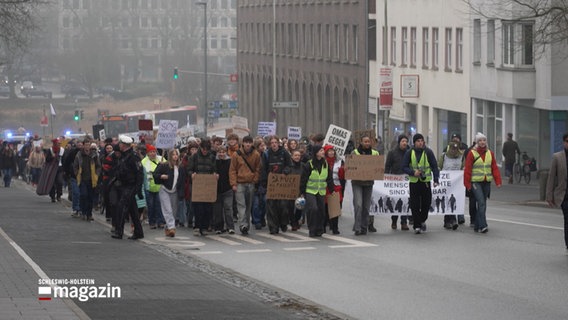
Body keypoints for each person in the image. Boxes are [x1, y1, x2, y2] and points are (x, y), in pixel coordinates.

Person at [463, 132, 502, 233]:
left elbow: (494, 168)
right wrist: (467, 184)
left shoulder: (490, 153)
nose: (482, 142)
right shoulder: (472, 153)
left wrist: (498, 181)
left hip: (486, 182)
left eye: (484, 140)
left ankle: (477, 225)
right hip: (476, 182)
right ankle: (483, 225)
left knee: (483, 203)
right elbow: (468, 169)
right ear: (476, 142)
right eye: (480, 140)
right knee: (481, 202)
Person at [402, 133, 440, 234]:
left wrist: (436, 179)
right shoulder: (409, 152)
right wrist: (413, 172)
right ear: (414, 143)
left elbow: (434, 166)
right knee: (414, 204)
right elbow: (404, 167)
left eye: (421, 141)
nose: (420, 143)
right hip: (414, 182)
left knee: (426, 204)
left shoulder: (428, 152)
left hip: (425, 182)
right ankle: (417, 225)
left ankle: (422, 219)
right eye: (418, 141)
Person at [111, 135, 145, 240]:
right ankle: (138, 232)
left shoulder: (133, 156)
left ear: (124, 145)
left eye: (120, 144)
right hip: (124, 185)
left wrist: (138, 189)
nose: (119, 145)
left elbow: (139, 173)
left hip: (131, 185)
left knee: (121, 207)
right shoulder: (124, 156)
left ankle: (119, 231)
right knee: (133, 210)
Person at [260, 135, 292, 234]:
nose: (274, 144)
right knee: (271, 207)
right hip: (271, 184)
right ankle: (273, 227)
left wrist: (286, 171)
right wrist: (265, 182)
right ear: (269, 144)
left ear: (278, 143)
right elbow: (263, 169)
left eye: (275, 142)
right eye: (272, 143)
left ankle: (283, 223)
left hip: (282, 183)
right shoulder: (266, 154)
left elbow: (289, 165)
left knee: (283, 206)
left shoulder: (284, 153)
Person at [229, 135, 261, 235]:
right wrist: (233, 183)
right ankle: (243, 224)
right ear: (243, 143)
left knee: (248, 205)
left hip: (250, 183)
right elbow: (232, 170)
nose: (247, 144)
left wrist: (255, 179)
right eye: (246, 142)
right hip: (239, 183)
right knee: (241, 205)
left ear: (252, 144)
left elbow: (258, 169)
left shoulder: (256, 154)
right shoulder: (236, 155)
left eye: (249, 142)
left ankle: (246, 224)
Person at [300, 145, 334, 237]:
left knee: (321, 210)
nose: (323, 152)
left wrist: (332, 190)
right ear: (316, 153)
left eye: (323, 150)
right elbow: (303, 179)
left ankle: (319, 229)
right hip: (310, 191)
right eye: (321, 150)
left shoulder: (325, 164)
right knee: (313, 209)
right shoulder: (309, 164)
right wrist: (302, 192)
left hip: (321, 191)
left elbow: (329, 178)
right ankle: (312, 228)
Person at [349, 135, 379, 235]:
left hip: (369, 183)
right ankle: (357, 228)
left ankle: (364, 227)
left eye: (368, 141)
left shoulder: (375, 153)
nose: (367, 143)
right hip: (357, 183)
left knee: (366, 206)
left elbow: (378, 167)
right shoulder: (355, 153)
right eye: (365, 142)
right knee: (358, 204)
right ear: (361, 142)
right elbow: (350, 167)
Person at [187, 139, 218, 236]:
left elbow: (214, 169)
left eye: (207, 150)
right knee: (198, 208)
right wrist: (192, 174)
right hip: (197, 186)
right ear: (200, 148)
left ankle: (204, 227)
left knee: (208, 208)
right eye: (203, 149)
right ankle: (197, 227)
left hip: (208, 186)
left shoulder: (212, 157)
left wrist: (215, 175)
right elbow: (189, 169)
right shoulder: (195, 157)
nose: (205, 151)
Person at [153, 149, 186, 238]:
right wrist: (161, 176)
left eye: (176, 154)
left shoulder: (181, 167)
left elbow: (182, 181)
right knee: (168, 209)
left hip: (174, 191)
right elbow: (155, 174)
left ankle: (168, 227)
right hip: (164, 190)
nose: (175, 156)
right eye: (173, 155)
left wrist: (181, 193)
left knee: (174, 211)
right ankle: (172, 227)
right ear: (170, 156)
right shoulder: (164, 165)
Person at [546, 132, 568, 251]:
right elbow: (551, 177)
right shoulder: (557, 157)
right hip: (564, 195)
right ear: (564, 142)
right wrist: (549, 196)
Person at [385, 134, 410, 230]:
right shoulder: (392, 153)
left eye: (406, 141)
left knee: (405, 201)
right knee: (395, 201)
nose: (405, 143)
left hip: (406, 181)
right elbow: (387, 166)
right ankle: (394, 220)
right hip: (395, 180)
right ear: (399, 142)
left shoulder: (409, 152)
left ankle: (404, 222)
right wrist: (386, 178)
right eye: (403, 141)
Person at [73, 140, 102, 221]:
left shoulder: (94, 154)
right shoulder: (79, 155)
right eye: (85, 145)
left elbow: (98, 166)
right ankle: (83, 212)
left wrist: (97, 174)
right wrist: (77, 173)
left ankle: (89, 214)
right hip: (82, 179)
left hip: (92, 179)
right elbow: (75, 166)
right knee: (83, 195)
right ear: (83, 146)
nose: (87, 147)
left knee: (90, 197)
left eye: (88, 145)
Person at [438, 142, 464, 230]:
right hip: (446, 182)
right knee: (447, 200)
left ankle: (451, 221)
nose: (453, 151)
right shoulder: (444, 156)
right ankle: (449, 221)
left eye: (455, 149)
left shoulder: (461, 157)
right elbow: (439, 167)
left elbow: (463, 167)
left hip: (456, 183)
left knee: (454, 200)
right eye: (452, 149)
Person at [141, 144, 166, 229]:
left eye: (154, 151)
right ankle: (152, 222)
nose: (153, 153)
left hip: (159, 186)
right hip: (148, 187)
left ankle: (161, 221)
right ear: (147, 153)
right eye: (151, 152)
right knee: (150, 205)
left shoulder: (161, 159)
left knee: (159, 205)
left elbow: (167, 168)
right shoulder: (143, 162)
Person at [323, 144, 345, 234]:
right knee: (325, 208)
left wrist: (343, 171)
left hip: (336, 187)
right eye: (329, 151)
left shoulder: (339, 162)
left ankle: (335, 227)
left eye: (332, 151)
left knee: (335, 208)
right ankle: (323, 226)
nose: (331, 152)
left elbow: (343, 176)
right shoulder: (322, 162)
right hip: (325, 187)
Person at [214, 145, 235, 234]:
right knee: (218, 210)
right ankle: (219, 227)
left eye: (223, 152)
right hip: (217, 189)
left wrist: (233, 184)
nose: (221, 154)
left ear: (226, 152)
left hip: (228, 188)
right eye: (220, 152)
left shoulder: (229, 161)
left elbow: (232, 172)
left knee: (228, 208)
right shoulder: (214, 161)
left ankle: (230, 226)